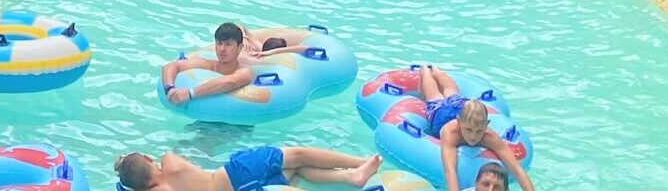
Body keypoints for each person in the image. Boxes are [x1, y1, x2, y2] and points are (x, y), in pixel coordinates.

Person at [113, 147, 380, 191]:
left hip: (242, 188)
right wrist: (124, 161)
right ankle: (359, 162)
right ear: (149, 160)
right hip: (235, 173)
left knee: (296, 171)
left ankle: (350, 177)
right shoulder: (168, 161)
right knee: (297, 154)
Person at [432, 100, 533, 191]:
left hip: (463, 112)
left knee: (453, 94)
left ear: (486, 125)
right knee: (435, 96)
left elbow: (517, 169)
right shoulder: (451, 134)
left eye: (479, 131)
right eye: (469, 130)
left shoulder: (489, 137)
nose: (473, 137)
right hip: (442, 116)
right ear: (459, 123)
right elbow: (450, 170)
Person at [160, 22, 257, 103]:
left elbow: (230, 82)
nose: (222, 49)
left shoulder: (245, 72)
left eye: (228, 44)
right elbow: (170, 66)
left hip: (238, 124)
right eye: (219, 43)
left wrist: (190, 93)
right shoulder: (208, 65)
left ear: (240, 47)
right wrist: (170, 89)